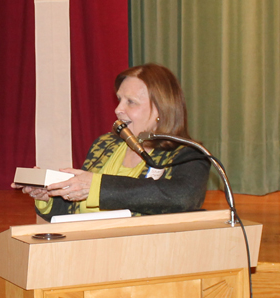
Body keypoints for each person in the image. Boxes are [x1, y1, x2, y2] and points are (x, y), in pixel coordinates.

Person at [13, 63, 210, 221]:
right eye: (119, 100)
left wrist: (97, 186)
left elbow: (182, 197)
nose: (118, 109)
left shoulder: (188, 154)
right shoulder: (105, 144)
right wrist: (49, 196)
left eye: (130, 102)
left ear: (161, 109)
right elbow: (73, 211)